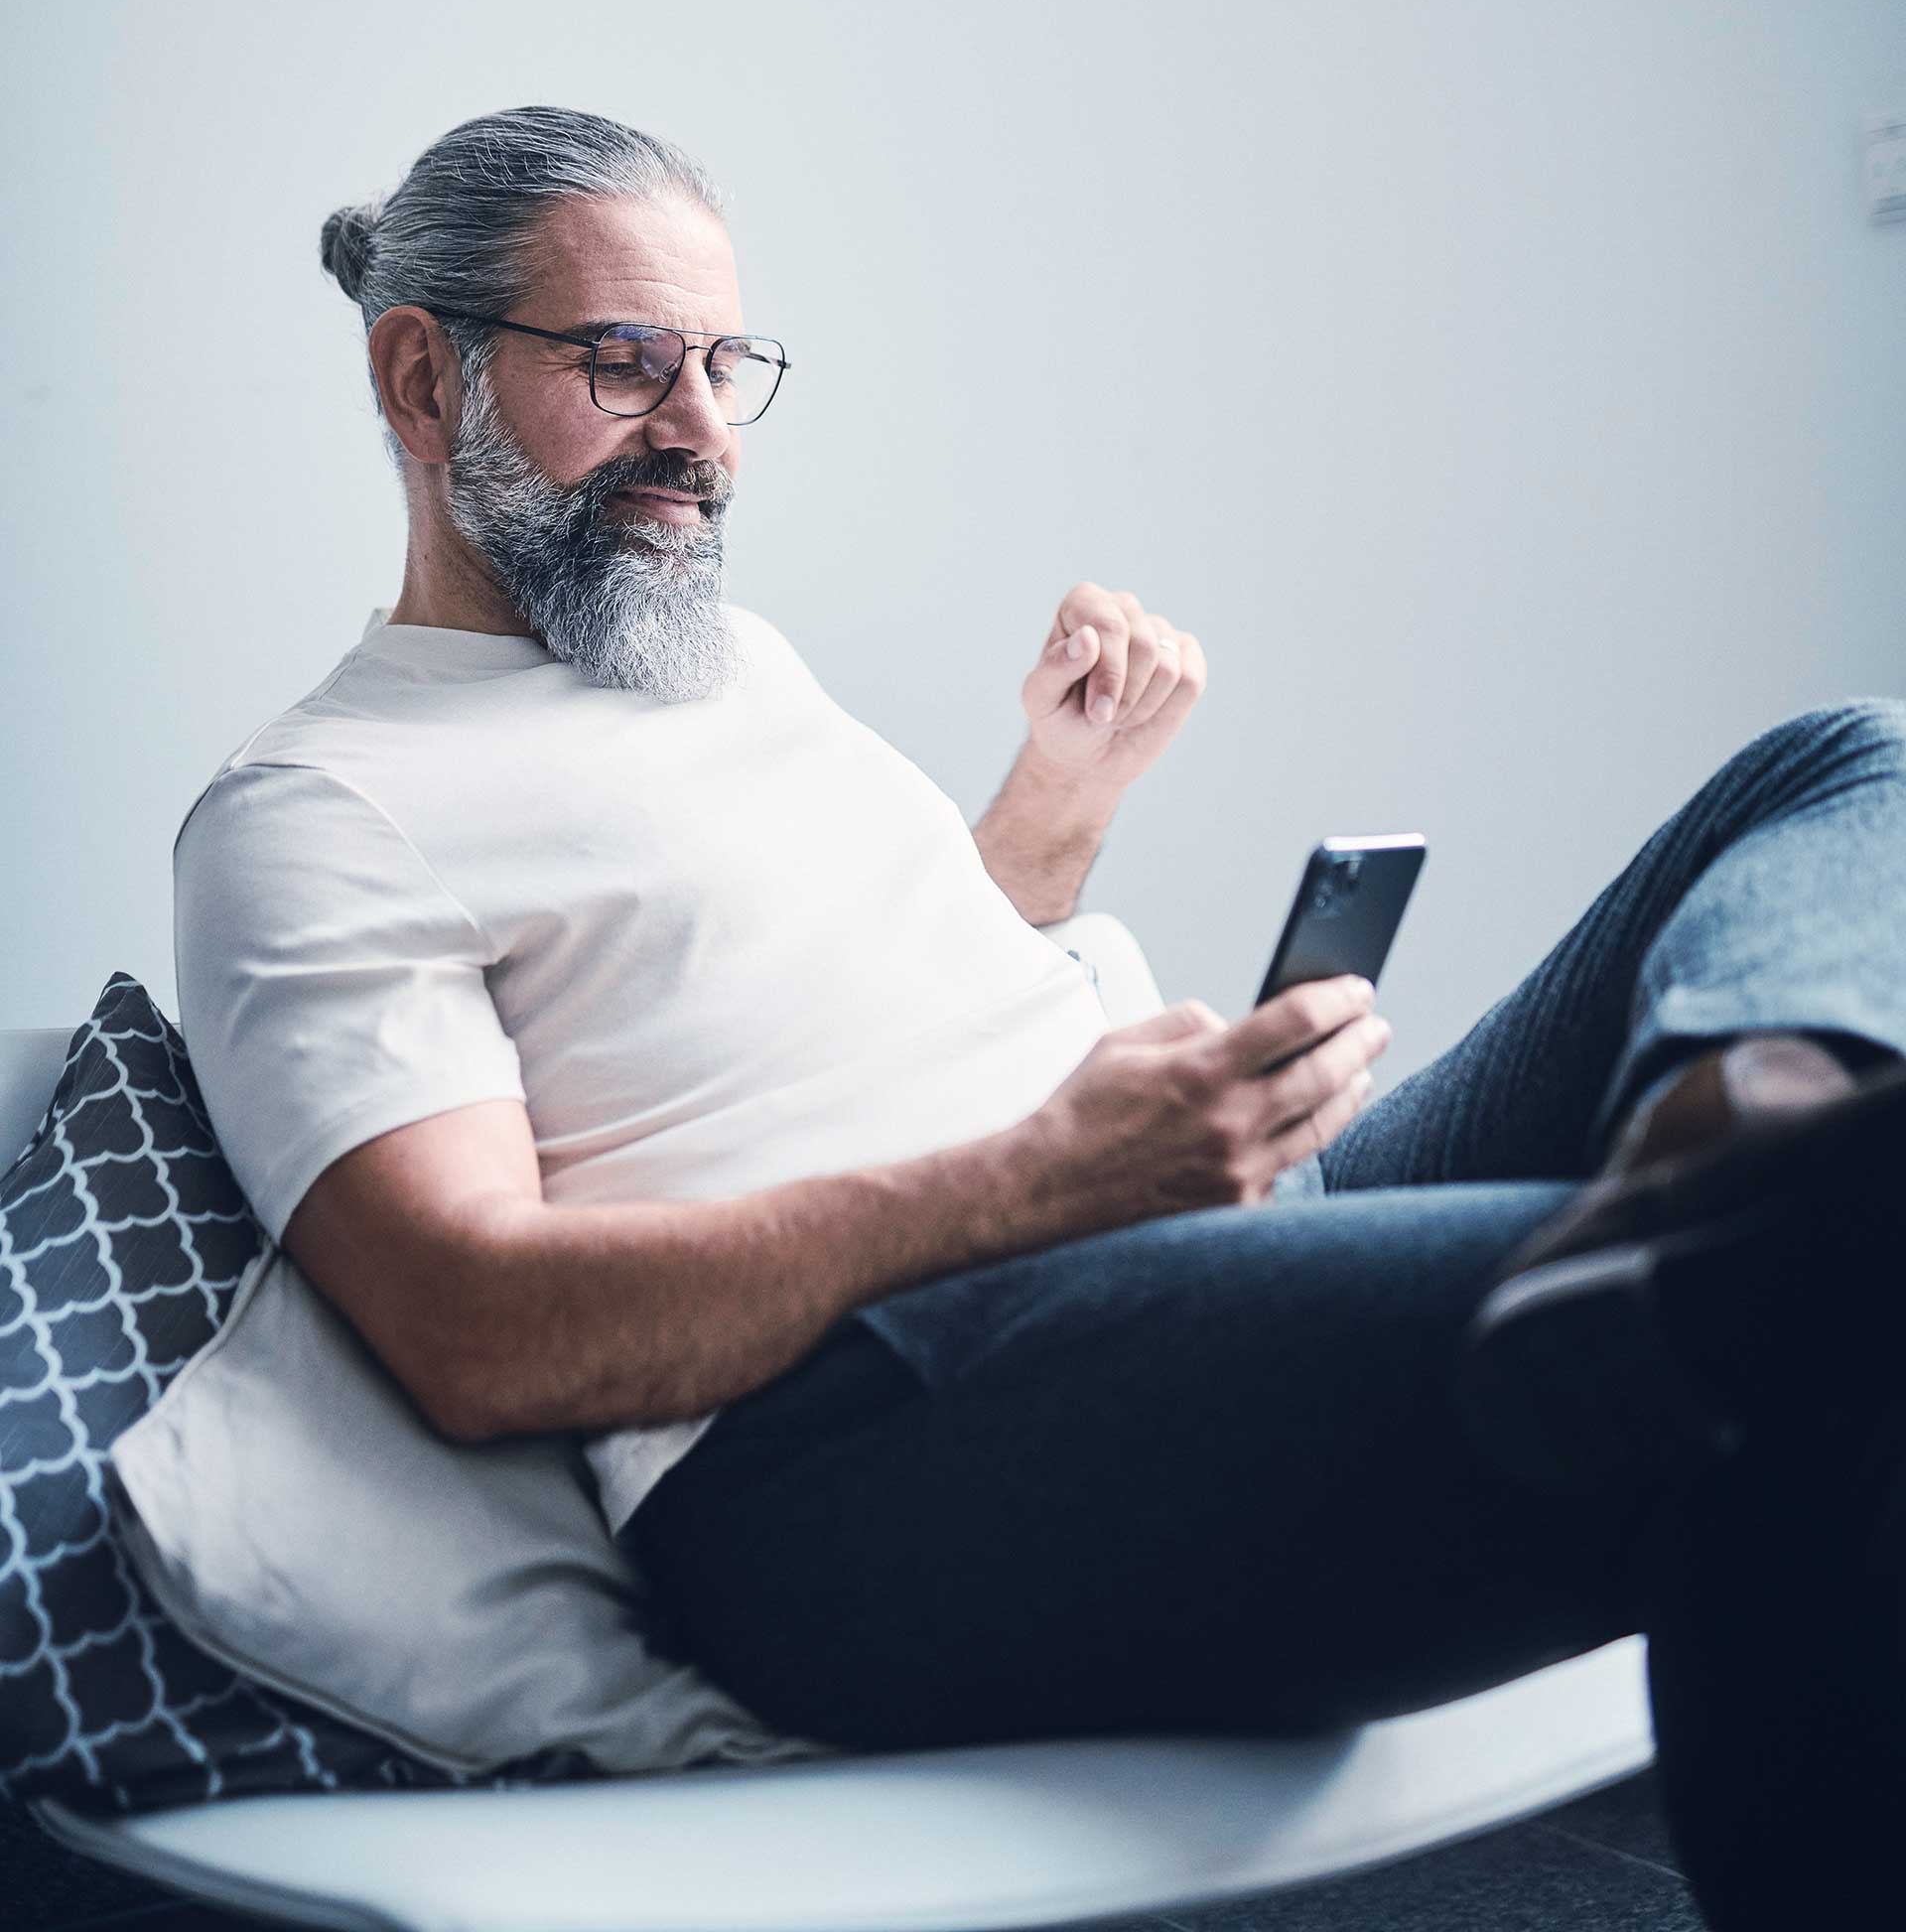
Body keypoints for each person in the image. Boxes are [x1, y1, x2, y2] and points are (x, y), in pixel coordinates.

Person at [174, 103, 1906, 1932]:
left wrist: (1060, 804)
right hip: (844, 1463)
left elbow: (830, 1017)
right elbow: (471, 1319)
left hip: (1157, 1243)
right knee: (1822, 1299)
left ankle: (1740, 1148)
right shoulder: (321, 808)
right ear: (420, 375)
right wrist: (1045, 1180)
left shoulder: (718, 662)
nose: (701, 434)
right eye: (624, 365)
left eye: (726, 368)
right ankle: (1742, 1231)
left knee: (1850, 759)